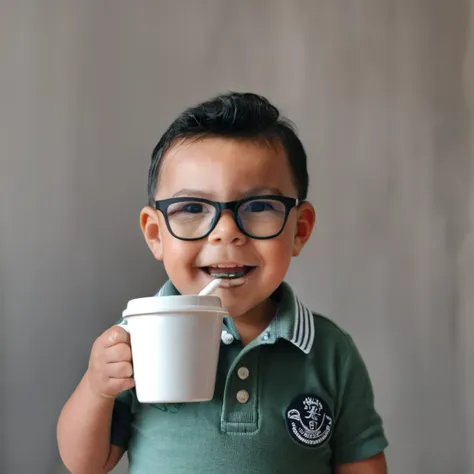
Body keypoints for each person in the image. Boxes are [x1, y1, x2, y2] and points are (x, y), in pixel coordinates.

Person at [57, 92, 388, 473]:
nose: (226, 233)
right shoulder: (137, 340)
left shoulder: (330, 352)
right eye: (193, 208)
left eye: (260, 206)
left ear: (300, 229)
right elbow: (85, 464)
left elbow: (362, 463)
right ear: (155, 234)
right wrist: (97, 388)